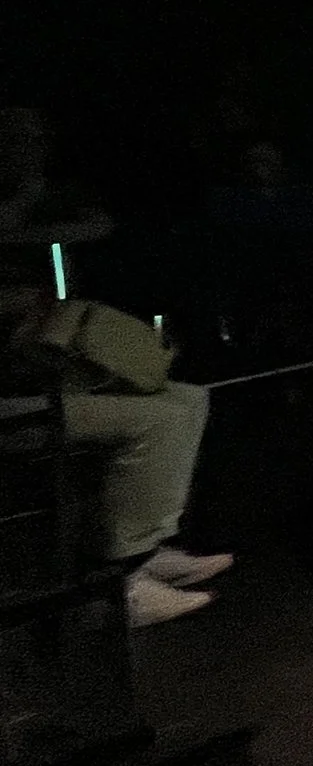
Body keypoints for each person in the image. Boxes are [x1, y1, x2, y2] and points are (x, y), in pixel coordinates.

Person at [1, 108, 229, 627]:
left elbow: (95, 224)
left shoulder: (51, 196)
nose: (28, 146)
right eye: (14, 137)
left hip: (36, 378)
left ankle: (144, 551)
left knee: (187, 398)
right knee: (159, 421)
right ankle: (118, 580)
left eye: (35, 135)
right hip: (10, 407)